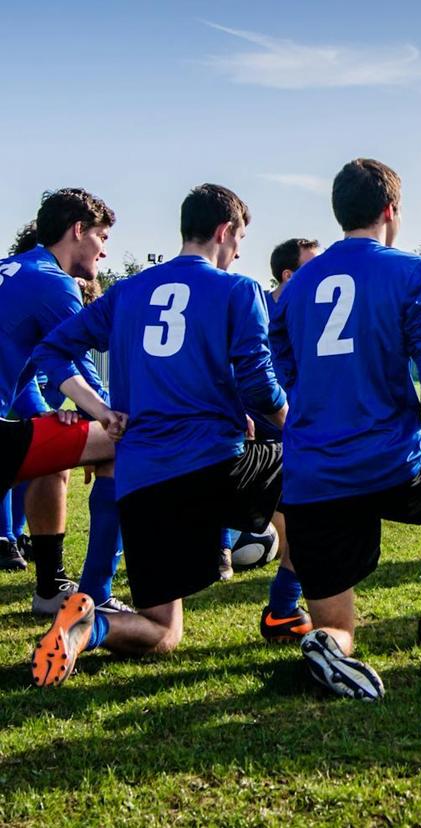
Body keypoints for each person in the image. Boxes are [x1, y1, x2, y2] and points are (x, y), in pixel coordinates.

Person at [30, 183, 287, 687]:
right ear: (223, 231)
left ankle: (90, 626)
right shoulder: (238, 290)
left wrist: (100, 410)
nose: (239, 252)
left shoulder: (128, 292)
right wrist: (298, 423)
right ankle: (288, 609)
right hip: (214, 466)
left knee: (163, 631)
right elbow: (259, 381)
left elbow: (51, 352)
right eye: (239, 240)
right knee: (311, 477)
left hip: (142, 480)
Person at [271, 158, 421, 701]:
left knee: (339, 626)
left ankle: (327, 645)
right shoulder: (412, 271)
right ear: (391, 210)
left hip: (313, 475)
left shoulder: (294, 287)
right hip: (389, 462)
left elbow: (282, 378)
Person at [0, 193, 123, 604]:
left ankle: (52, 586)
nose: (104, 249)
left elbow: (25, 366)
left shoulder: (14, 268)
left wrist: (49, 418)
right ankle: (98, 591)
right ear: (77, 230)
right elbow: (79, 366)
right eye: (102, 236)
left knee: (54, 454)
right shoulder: (54, 282)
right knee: (122, 442)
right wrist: (112, 416)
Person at [248, 237, 320, 643]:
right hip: (259, 426)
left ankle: (282, 607)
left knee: (298, 520)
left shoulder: (315, 311)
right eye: (312, 267)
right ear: (289, 275)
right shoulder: (255, 306)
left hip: (297, 426)